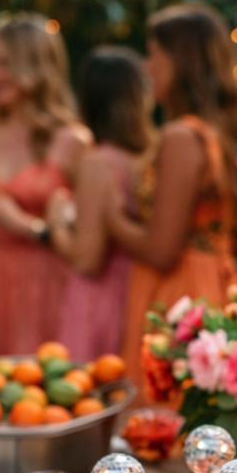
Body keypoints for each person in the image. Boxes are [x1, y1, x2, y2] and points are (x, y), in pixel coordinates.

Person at [106, 4, 237, 384]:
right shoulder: (226, 134)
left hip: (179, 296)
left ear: (180, 63)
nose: (147, 68)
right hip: (223, 289)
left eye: (154, 56)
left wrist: (113, 217)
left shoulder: (182, 137)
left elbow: (162, 251)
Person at [0, 13, 90, 361]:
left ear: (36, 69)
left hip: (45, 286)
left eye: (4, 64)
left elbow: (89, 245)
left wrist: (26, 225)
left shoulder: (72, 141)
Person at [47, 47, 154, 361]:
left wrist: (55, 224)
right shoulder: (145, 159)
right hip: (137, 292)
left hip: (100, 301)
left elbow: (87, 259)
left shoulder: (98, 163)